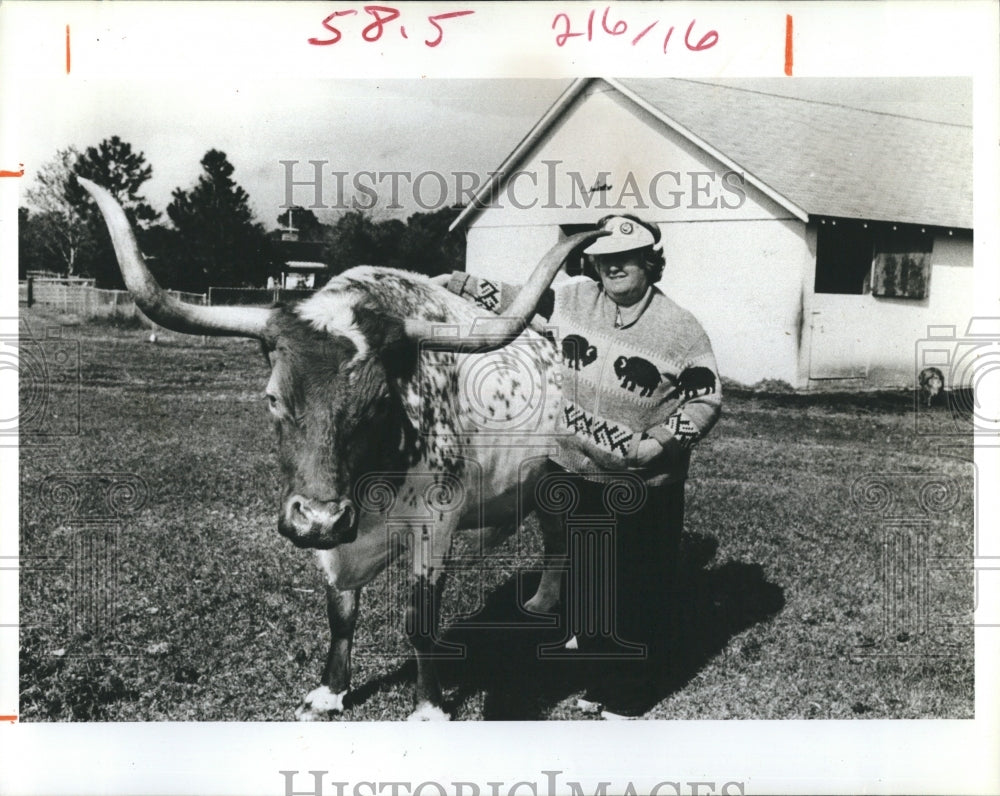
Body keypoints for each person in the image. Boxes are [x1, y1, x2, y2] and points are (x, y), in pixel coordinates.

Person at [442, 214, 722, 717]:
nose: (614, 268)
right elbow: (517, 296)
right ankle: (596, 682)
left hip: (639, 484)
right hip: (570, 469)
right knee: (586, 583)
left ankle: (627, 697)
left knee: (636, 590)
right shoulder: (572, 299)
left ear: (649, 263)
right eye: (604, 259)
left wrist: (661, 441)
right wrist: (455, 282)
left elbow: (705, 401)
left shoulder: (681, 329)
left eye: (625, 258)